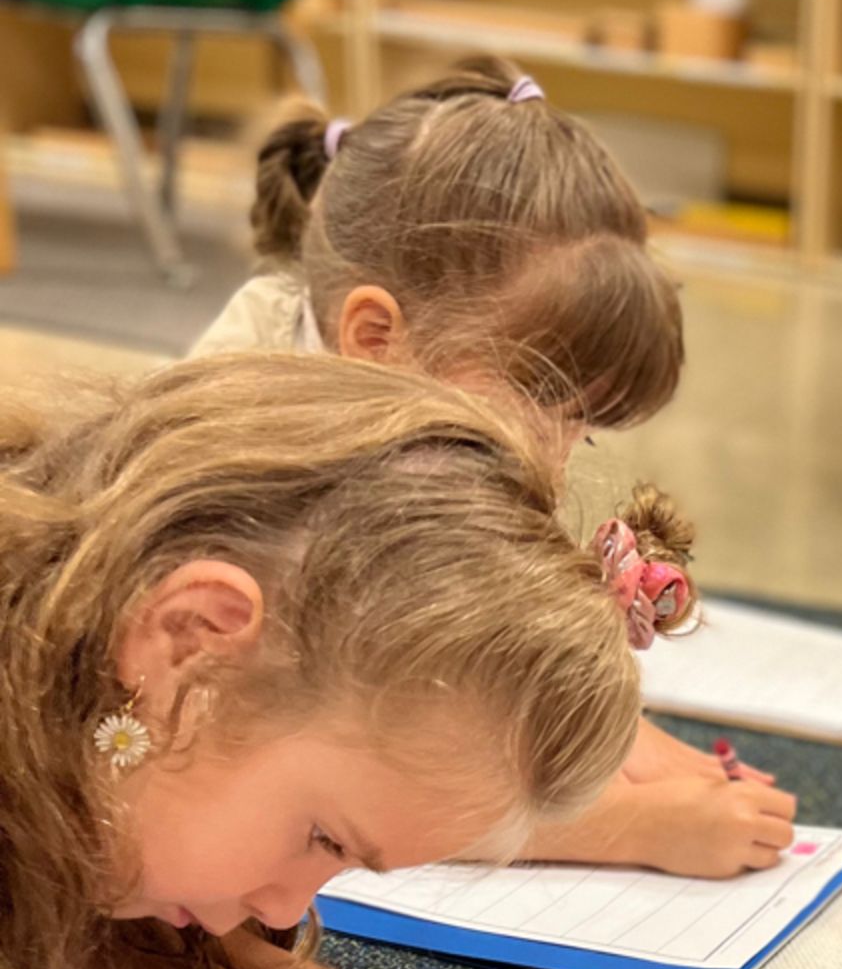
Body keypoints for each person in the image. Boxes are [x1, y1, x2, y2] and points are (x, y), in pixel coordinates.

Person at [0, 352, 712, 969]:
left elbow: (123, 962)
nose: (289, 902)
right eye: (323, 837)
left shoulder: (82, 742)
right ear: (189, 641)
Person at [194, 56, 797, 880]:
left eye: (580, 428)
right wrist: (629, 825)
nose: (551, 459)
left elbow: (464, 650)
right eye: (540, 401)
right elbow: (338, 786)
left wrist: (620, 736)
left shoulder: (413, 395)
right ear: (375, 338)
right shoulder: (246, 468)